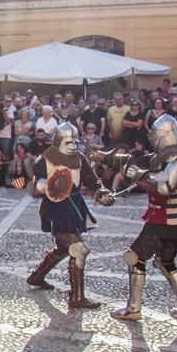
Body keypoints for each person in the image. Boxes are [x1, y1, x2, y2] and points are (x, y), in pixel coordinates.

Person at [110, 114, 177, 323]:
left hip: (166, 218)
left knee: (135, 257)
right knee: (165, 261)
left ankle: (133, 308)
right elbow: (150, 163)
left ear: (164, 135)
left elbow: (165, 187)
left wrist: (140, 176)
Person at [26, 123, 114, 310]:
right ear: (58, 141)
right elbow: (36, 187)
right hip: (55, 208)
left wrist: (102, 192)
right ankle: (77, 298)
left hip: (75, 207)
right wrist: (47, 185)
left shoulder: (79, 158)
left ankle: (37, 277)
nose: (73, 145)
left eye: (75, 141)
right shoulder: (45, 160)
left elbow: (92, 180)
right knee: (77, 249)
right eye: (68, 141)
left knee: (63, 247)